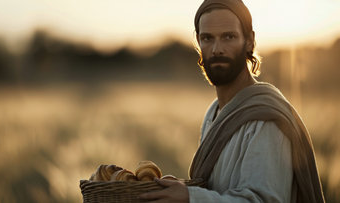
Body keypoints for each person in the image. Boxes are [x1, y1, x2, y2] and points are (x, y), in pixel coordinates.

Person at [139, 0, 325, 202]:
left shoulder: (265, 119)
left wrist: (190, 197)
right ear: (198, 43)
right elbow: (216, 189)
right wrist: (179, 190)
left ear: (249, 41)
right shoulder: (214, 112)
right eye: (207, 38)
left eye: (229, 37)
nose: (217, 49)